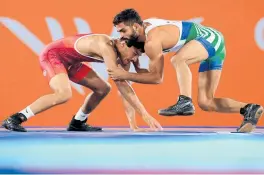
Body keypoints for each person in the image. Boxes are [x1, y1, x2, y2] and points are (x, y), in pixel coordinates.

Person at [108, 8, 263, 132]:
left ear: (135, 26)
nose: (121, 37)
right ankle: (249, 109)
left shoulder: (152, 41)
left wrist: (125, 74)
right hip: (210, 45)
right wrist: (133, 69)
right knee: (206, 102)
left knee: (178, 59)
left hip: (209, 38)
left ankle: (185, 102)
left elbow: (157, 78)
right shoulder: (143, 33)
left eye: (123, 31)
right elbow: (149, 74)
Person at [2, 33, 162, 132]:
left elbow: (124, 91)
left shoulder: (124, 56)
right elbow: (121, 84)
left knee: (102, 88)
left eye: (138, 56)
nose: (134, 59)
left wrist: (133, 125)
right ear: (122, 43)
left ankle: (78, 122)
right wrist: (145, 115)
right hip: (53, 56)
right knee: (63, 94)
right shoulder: (105, 46)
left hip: (72, 62)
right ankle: (16, 118)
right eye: (134, 53)